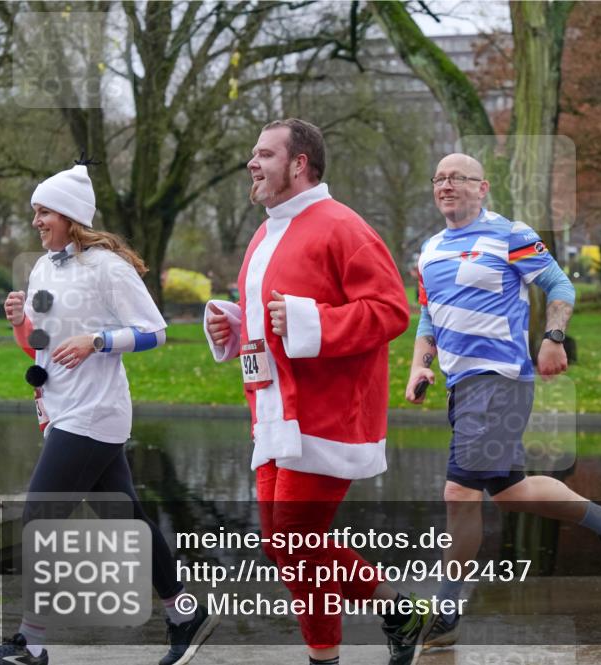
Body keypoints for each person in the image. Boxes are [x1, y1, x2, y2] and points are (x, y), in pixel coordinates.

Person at [203, 119, 424, 665]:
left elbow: (391, 311)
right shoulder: (264, 231)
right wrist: (234, 325)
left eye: (264, 155)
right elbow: (273, 318)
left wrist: (307, 321)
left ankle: (354, 637)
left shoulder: (343, 226)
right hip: (274, 411)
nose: (252, 164)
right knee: (286, 548)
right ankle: (386, 618)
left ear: (299, 163)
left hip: (328, 415)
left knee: (294, 541)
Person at [0, 162, 217, 665]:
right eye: (35, 212)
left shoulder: (108, 267)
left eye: (44, 211)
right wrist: (21, 323)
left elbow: (156, 332)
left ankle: (32, 643)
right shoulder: (44, 267)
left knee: (39, 518)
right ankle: (183, 610)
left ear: (70, 216)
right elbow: (40, 349)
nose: (37, 221)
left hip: (95, 413)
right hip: (60, 409)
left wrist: (99, 340)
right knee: (127, 516)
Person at [406, 153, 601, 650]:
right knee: (508, 490)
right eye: (439, 178)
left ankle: (445, 615)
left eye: (458, 178)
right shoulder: (428, 250)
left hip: (500, 380)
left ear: (482, 187)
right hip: (461, 385)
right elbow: (429, 315)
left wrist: (553, 337)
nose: (447, 185)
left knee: (459, 494)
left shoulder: (508, 234)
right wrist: (419, 364)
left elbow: (559, 284)